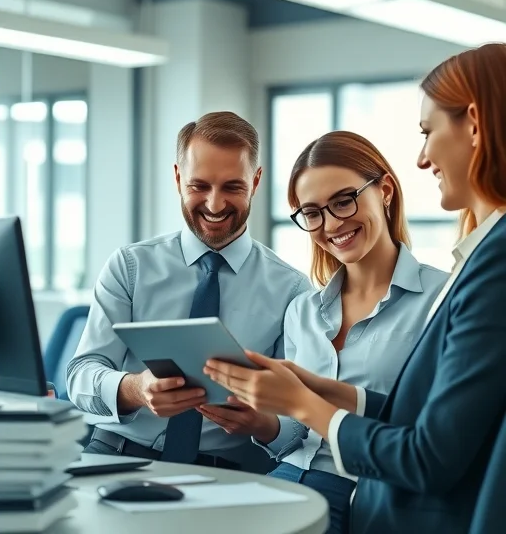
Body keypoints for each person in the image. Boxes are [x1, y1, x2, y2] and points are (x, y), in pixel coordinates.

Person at [205, 43, 506, 533]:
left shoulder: (483, 266)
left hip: (379, 496)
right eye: (312, 212)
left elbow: (429, 451)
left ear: (473, 123)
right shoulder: (304, 306)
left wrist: (306, 402)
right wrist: (310, 390)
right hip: (294, 478)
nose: (423, 157)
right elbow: (427, 415)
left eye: (428, 131)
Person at [195, 131, 447, 534]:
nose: (331, 224)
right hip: (284, 482)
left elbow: (435, 428)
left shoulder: (442, 298)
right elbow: (295, 437)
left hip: (367, 493)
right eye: (312, 213)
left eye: (343, 201)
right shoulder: (303, 311)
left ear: (384, 190)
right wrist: (261, 423)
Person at [66, 111, 310, 472]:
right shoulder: (129, 267)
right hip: (118, 453)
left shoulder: (291, 289)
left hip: (227, 469)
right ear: (178, 178)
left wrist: (264, 424)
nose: (214, 205)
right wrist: (136, 389)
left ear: (255, 182)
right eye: (199, 186)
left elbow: (302, 417)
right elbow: (81, 373)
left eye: (233, 187)